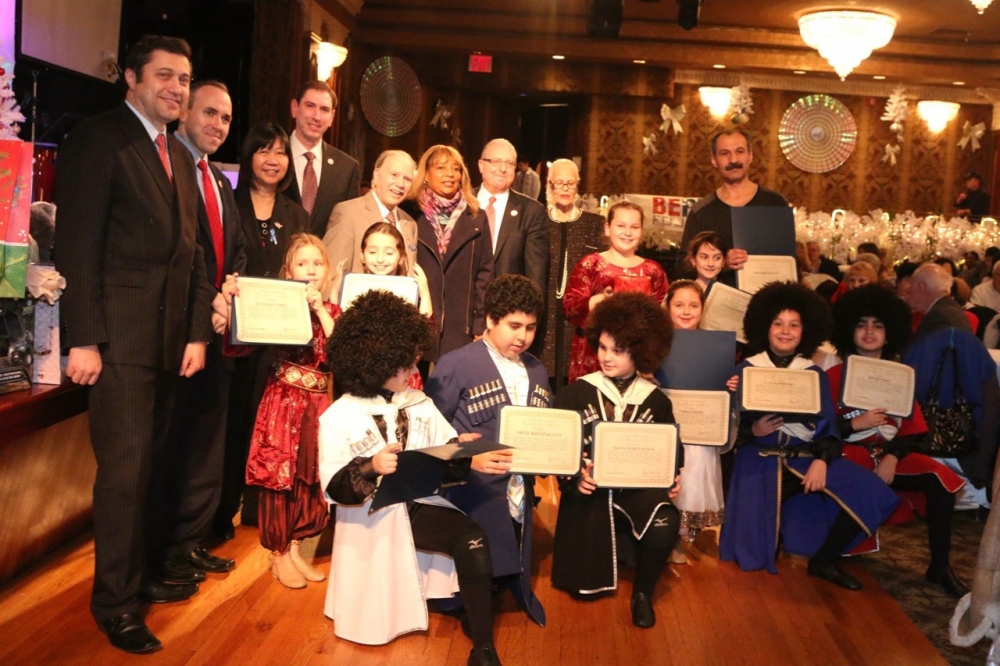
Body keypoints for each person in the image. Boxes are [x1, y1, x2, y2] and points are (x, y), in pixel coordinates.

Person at [55, 35, 214, 653]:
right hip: (118, 345)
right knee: (122, 478)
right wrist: (84, 340)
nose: (177, 87)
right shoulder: (100, 140)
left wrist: (197, 331)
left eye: (185, 77)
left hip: (172, 346)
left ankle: (139, 579)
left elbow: (193, 255)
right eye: (165, 76)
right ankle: (115, 606)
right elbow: (78, 248)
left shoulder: (175, 152)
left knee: (152, 471)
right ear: (130, 77)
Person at [318, 290, 502, 666]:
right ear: (373, 363)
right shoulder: (339, 416)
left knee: (472, 541)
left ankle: (483, 644)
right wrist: (371, 466)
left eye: (413, 362)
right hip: (373, 517)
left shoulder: (418, 402)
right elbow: (333, 488)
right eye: (402, 366)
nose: (412, 372)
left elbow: (443, 458)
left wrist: (459, 448)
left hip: (418, 506)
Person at [719, 282, 899, 588]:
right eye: (778, 323)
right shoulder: (745, 369)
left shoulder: (812, 373)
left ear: (806, 331)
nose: (785, 331)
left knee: (875, 492)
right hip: (758, 460)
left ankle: (824, 561)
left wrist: (821, 462)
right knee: (750, 561)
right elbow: (726, 428)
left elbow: (827, 426)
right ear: (765, 326)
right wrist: (753, 428)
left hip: (804, 458)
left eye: (794, 325)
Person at [157, 79, 246, 579]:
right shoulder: (168, 166)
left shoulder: (217, 179)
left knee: (205, 444)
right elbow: (181, 252)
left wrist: (229, 289)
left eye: (227, 119)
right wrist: (207, 301)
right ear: (186, 111)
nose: (218, 125)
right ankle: (165, 549)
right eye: (209, 113)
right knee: (175, 446)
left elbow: (231, 250)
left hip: (216, 331)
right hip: (180, 332)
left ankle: (189, 542)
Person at [552, 292, 683, 629]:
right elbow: (558, 450)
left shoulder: (656, 399)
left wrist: (673, 475)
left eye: (618, 350)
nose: (607, 357)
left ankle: (642, 593)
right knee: (583, 593)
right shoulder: (574, 392)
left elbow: (672, 449)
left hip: (636, 489)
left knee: (665, 520)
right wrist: (575, 475)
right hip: (591, 490)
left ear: (639, 351)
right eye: (603, 347)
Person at [426, 274, 551, 627]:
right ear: (491, 320)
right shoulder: (455, 364)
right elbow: (430, 434)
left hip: (519, 485)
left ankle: (504, 581)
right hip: (471, 489)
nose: (522, 336)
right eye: (513, 325)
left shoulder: (537, 370)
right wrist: (466, 459)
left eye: (530, 327)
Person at [828, 285, 968, 598]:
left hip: (891, 453)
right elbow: (823, 429)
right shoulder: (835, 375)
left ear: (890, 332)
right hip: (849, 453)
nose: (869, 332)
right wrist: (854, 424)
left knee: (940, 481)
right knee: (865, 483)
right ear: (848, 330)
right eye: (861, 324)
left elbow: (916, 430)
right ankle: (827, 557)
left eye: (878, 325)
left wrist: (892, 456)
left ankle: (940, 566)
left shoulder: (902, 375)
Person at [224, 233, 339, 589]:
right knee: (279, 474)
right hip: (283, 401)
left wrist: (320, 308)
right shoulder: (279, 305)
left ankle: (294, 547)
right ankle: (279, 555)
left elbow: (339, 355)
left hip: (317, 405)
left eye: (317, 264)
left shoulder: (333, 311)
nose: (310, 271)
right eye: (302, 264)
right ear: (289, 272)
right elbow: (241, 343)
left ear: (328, 271)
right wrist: (236, 303)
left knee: (309, 477)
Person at [214, 123, 310, 540]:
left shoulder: (295, 213)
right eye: (263, 151)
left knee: (270, 424)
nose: (273, 160)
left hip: (282, 339)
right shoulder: (227, 204)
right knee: (233, 422)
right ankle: (220, 511)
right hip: (238, 337)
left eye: (280, 153)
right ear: (248, 155)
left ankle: (259, 509)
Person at [563, 201, 668, 382]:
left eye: (634, 227)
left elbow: (662, 321)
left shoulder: (654, 271)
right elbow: (569, 309)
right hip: (592, 358)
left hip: (638, 361)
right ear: (607, 228)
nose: (627, 233)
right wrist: (598, 301)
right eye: (621, 226)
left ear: (641, 231)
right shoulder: (590, 265)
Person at [412, 144, 494, 366]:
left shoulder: (476, 217)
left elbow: (485, 275)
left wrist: (479, 325)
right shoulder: (410, 214)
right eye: (441, 167)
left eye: (456, 169)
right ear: (426, 174)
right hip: (417, 325)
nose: (450, 174)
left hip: (460, 328)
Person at [677, 129, 789, 283]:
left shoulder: (775, 203)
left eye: (740, 151)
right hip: (717, 302)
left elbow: (790, 259)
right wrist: (720, 262)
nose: (733, 159)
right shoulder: (701, 211)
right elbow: (683, 265)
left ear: (750, 156)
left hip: (767, 300)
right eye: (724, 153)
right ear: (714, 160)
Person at [476, 139, 549, 355]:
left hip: (508, 327)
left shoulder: (531, 212)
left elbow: (535, 278)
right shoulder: (461, 203)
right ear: (481, 165)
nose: (502, 168)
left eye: (509, 163)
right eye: (496, 161)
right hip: (462, 322)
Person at [545, 158, 605, 392]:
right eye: (559, 183)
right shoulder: (538, 221)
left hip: (581, 321)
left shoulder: (595, 225)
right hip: (546, 321)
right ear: (549, 186)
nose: (565, 189)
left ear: (578, 186)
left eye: (571, 184)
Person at [322, 149, 418, 278]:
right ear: (377, 175)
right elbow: (332, 274)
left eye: (407, 179)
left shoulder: (409, 223)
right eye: (394, 175)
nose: (400, 184)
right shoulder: (348, 213)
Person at [284, 80, 360, 237]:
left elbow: (349, 228)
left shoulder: (347, 168)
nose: (316, 116)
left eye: (324, 109)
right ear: (294, 108)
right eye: (310, 106)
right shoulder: (273, 157)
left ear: (332, 117)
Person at [906, 262, 973, 342]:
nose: (908, 290)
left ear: (921, 288)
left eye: (911, 285)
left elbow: (921, 352)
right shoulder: (949, 309)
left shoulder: (937, 317)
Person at [687, 231, 728, 296]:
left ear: (723, 261)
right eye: (704, 257)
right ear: (693, 260)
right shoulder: (683, 293)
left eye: (717, 258)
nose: (710, 264)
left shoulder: (729, 295)